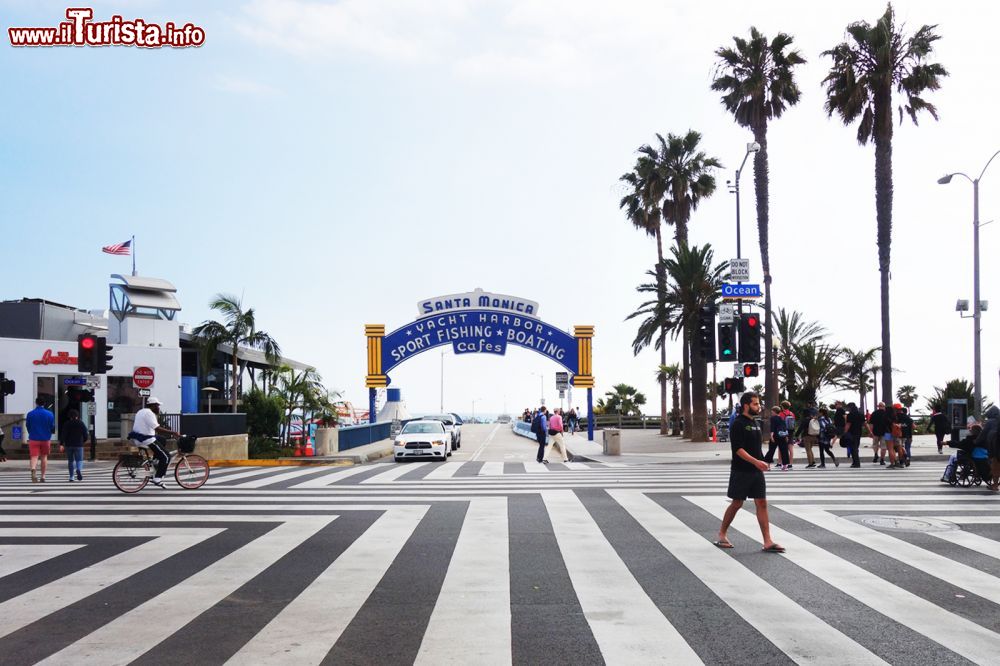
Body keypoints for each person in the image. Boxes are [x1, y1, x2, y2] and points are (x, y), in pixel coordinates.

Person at [716, 392, 784, 553]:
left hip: (756, 471)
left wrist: (763, 462)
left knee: (762, 503)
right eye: (755, 404)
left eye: (758, 403)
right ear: (746, 405)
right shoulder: (738, 423)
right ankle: (721, 534)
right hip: (741, 470)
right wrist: (756, 462)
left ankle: (767, 541)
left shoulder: (756, 423)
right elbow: (738, 449)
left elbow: (756, 447)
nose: (758, 406)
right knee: (737, 503)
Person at [129, 397, 181, 486]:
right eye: (157, 405)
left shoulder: (141, 411)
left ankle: (156, 460)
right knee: (166, 456)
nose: (159, 408)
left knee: (162, 439)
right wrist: (174, 432)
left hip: (138, 437)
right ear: (153, 405)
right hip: (146, 439)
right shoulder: (149, 414)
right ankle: (158, 478)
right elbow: (157, 428)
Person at [26, 397, 55, 483]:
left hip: (33, 438)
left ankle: (33, 469)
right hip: (45, 438)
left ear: (36, 403)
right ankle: (43, 476)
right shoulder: (50, 414)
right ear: (44, 404)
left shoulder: (30, 414)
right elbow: (52, 426)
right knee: (44, 457)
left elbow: (28, 425)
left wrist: (31, 432)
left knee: (34, 456)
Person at [59, 409, 89, 482]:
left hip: (69, 445)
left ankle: (71, 477)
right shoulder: (81, 423)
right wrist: (83, 441)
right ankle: (78, 469)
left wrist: (61, 444)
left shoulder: (67, 424)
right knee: (79, 460)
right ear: (77, 416)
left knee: (70, 461)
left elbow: (63, 435)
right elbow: (85, 434)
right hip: (79, 444)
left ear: (69, 416)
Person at [975, 405, 999, 491]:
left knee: (994, 466)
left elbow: (983, 434)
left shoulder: (990, 422)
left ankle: (995, 485)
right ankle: (995, 484)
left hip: (994, 447)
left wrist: (976, 442)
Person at [764, 406, 790, 470]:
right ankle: (785, 466)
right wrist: (786, 436)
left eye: (772, 411)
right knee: (784, 451)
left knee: (771, 450)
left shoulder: (773, 418)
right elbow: (784, 428)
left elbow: (772, 427)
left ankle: (768, 465)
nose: (771, 412)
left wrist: (771, 436)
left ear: (775, 411)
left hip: (775, 436)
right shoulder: (782, 418)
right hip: (782, 436)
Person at [845, 402, 864, 468]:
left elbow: (848, 424)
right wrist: (870, 432)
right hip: (859, 433)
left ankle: (856, 463)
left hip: (852, 433)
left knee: (853, 448)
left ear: (850, 407)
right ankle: (855, 462)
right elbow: (865, 424)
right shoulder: (861, 414)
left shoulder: (850, 415)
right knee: (856, 447)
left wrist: (844, 432)